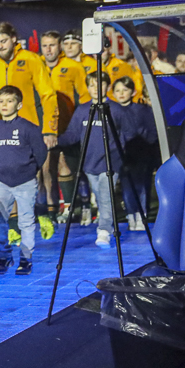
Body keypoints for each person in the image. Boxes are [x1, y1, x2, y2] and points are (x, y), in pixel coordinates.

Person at [0, 85, 48, 275]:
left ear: (19, 105)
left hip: (25, 182)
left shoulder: (29, 128)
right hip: (3, 183)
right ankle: (4, 256)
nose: (4, 105)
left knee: (26, 222)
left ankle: (26, 259)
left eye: (9, 101)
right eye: (1, 101)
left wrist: (30, 170)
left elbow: (41, 153)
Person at [59, 71, 127, 248]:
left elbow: (127, 133)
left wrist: (118, 154)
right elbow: (72, 135)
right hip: (90, 164)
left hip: (110, 163)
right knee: (100, 196)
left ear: (108, 86)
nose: (96, 88)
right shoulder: (82, 110)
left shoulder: (116, 110)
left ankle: (103, 231)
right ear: (87, 88)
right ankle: (108, 224)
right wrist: (52, 140)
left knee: (106, 196)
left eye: (100, 84)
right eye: (91, 85)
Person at [40, 30, 89, 228]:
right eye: (45, 46)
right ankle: (51, 209)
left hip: (67, 125)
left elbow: (85, 96)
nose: (48, 50)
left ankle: (71, 207)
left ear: (59, 46)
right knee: (45, 167)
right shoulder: (37, 65)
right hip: (44, 125)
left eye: (52, 45)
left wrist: (82, 121)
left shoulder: (73, 66)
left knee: (65, 164)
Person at [112, 76, 157, 232]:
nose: (121, 94)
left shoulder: (143, 110)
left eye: (125, 90)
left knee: (142, 185)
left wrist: (145, 145)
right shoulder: (111, 110)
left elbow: (152, 131)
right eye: (117, 90)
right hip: (120, 156)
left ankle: (142, 215)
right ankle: (131, 215)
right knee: (127, 187)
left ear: (133, 92)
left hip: (141, 154)